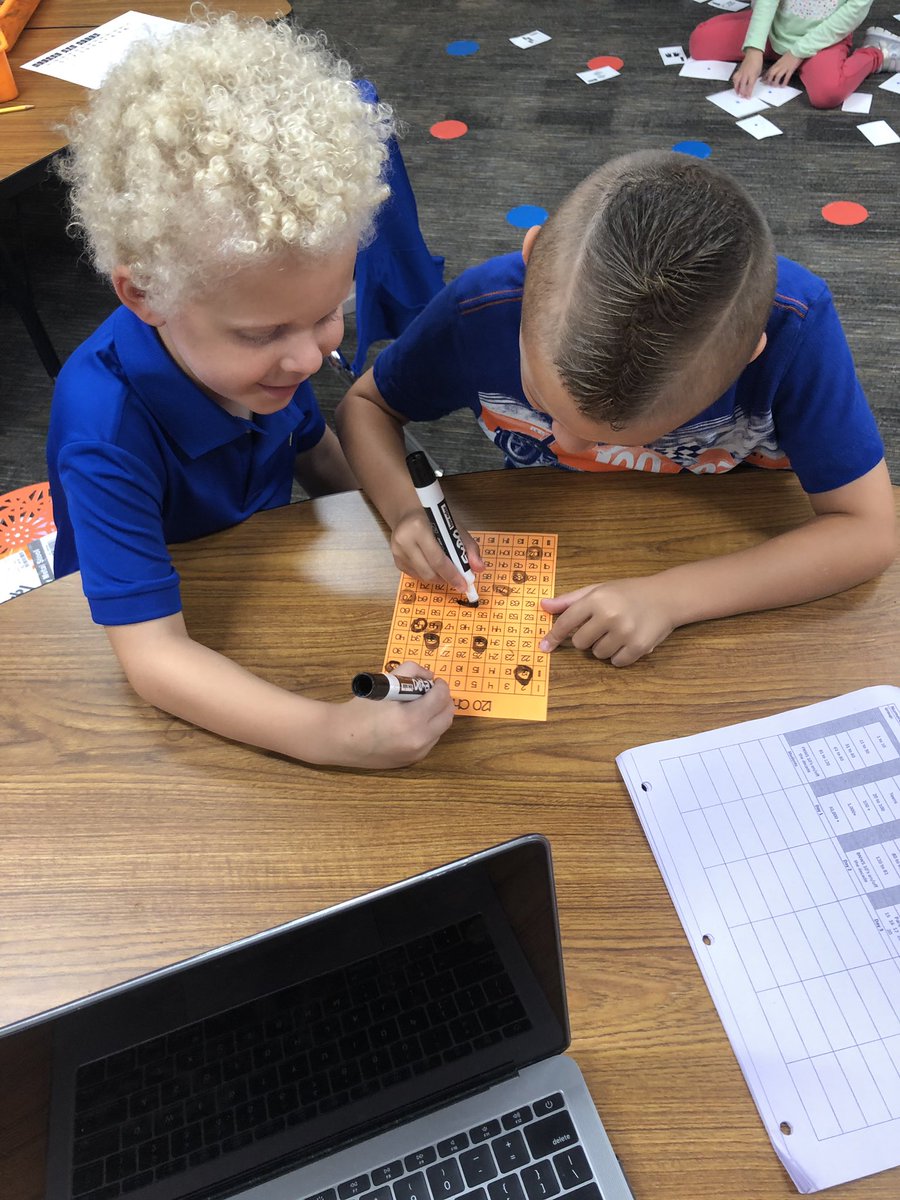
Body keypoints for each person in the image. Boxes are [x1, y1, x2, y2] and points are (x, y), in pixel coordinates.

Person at [46, 11, 454, 768]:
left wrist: (393, 514)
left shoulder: (272, 349)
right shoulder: (104, 427)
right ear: (145, 297)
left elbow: (316, 451)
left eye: (330, 312)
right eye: (263, 334)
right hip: (141, 638)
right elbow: (153, 660)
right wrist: (331, 735)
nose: (307, 358)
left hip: (257, 582)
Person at [335, 150, 897, 668]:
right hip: (552, 527)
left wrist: (674, 598)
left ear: (750, 357)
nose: (567, 447)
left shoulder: (795, 327)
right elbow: (367, 405)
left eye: (627, 438)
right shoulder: (480, 309)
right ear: (530, 262)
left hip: (730, 542)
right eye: (539, 404)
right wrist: (408, 512)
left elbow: (869, 532)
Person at [689, 1, 900, 108]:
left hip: (824, 40)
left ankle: (876, 54)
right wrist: (754, 49)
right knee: (700, 42)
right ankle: (773, 55)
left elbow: (850, 15)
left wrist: (797, 53)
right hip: (775, 28)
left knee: (827, 93)